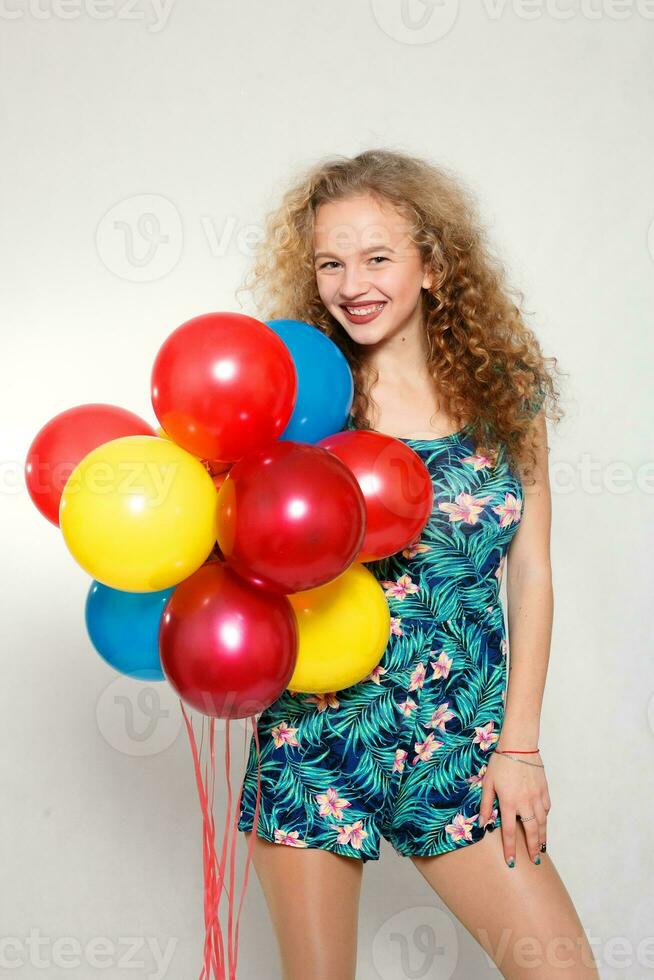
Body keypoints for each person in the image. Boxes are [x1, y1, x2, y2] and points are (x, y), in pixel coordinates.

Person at [236, 149, 599, 980]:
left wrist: (521, 748)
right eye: (331, 262)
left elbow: (531, 571)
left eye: (377, 257)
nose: (351, 282)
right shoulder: (302, 404)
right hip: (317, 735)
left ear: (432, 265)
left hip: (463, 746)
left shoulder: (506, 394)